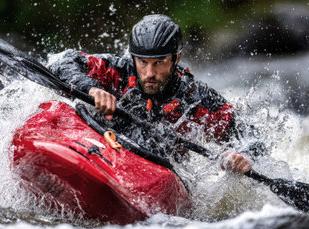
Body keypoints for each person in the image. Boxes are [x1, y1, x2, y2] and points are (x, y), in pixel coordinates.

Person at [49, 14, 264, 174]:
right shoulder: (119, 70)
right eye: (143, 62)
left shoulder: (196, 99)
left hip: (157, 170)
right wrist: (91, 88)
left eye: (159, 63)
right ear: (134, 58)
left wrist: (243, 157)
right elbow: (62, 62)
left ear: (176, 59)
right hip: (100, 144)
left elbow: (249, 136)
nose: (150, 73)